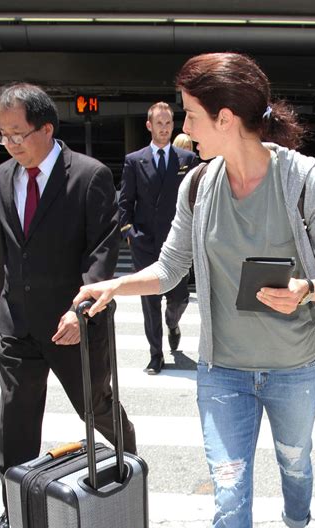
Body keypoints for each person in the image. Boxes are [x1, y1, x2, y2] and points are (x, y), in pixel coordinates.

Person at [74, 52, 315, 528]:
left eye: (192, 115)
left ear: (226, 117)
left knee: (295, 464)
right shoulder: (196, 184)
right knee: (228, 493)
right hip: (223, 370)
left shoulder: (303, 180)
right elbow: (171, 267)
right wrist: (113, 288)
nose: (184, 128)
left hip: (291, 367)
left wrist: (306, 290)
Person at [0, 83, 136, 528]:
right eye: (4, 136)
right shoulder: (1, 176)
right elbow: (6, 244)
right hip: (18, 319)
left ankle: (130, 479)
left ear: (46, 128)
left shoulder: (88, 176)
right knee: (16, 414)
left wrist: (82, 309)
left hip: (74, 320)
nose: (10, 144)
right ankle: (15, 508)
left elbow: (102, 252)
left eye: (18, 134)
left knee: (97, 406)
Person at [119, 102, 198, 374]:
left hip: (176, 243)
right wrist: (128, 232)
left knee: (178, 298)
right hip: (145, 242)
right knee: (149, 301)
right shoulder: (134, 160)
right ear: (149, 125)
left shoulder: (187, 160)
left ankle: (172, 323)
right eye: (159, 123)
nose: (164, 128)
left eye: (168, 123)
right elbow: (125, 201)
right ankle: (156, 354)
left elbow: (195, 200)